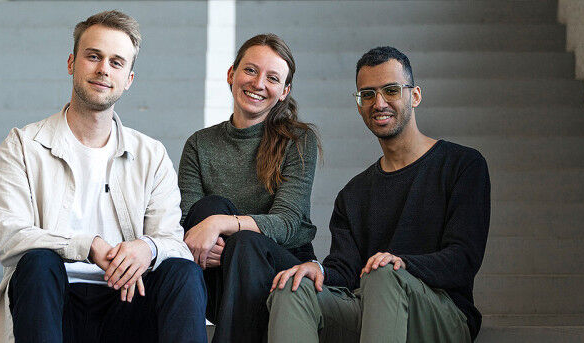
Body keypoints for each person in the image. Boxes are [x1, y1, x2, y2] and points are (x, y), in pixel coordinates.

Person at [0, 10, 206, 343]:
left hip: (128, 304)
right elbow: (9, 237)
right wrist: (88, 246)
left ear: (128, 79)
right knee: (38, 263)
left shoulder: (151, 154)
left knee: (182, 271)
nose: (103, 69)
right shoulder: (23, 145)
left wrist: (147, 249)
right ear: (72, 62)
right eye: (94, 56)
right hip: (53, 304)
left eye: (117, 62)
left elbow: (173, 242)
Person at [266, 46, 490, 342]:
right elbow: (345, 271)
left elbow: (463, 259)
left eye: (391, 90)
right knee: (292, 288)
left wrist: (400, 265)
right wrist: (315, 268)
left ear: (415, 95)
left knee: (383, 274)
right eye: (368, 94)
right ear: (359, 104)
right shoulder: (354, 193)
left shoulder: (462, 165)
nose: (379, 103)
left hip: (443, 314)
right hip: (374, 307)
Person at [177, 33, 322, 343]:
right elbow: (190, 221)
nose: (258, 83)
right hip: (217, 273)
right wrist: (212, 226)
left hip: (281, 271)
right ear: (232, 74)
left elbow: (285, 224)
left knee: (241, 240)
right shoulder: (199, 145)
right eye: (251, 70)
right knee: (206, 209)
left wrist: (220, 225)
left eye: (272, 78)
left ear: (284, 92)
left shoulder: (298, 141)